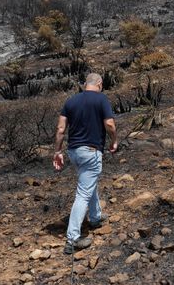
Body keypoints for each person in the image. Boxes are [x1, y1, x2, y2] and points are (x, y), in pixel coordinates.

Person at [53, 72, 118, 254]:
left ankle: (96, 217)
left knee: (88, 183)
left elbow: (60, 129)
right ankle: (73, 238)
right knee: (83, 192)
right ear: (99, 83)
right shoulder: (101, 99)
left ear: (84, 84)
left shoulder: (71, 101)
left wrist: (57, 151)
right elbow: (110, 124)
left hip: (74, 152)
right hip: (91, 151)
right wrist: (114, 140)